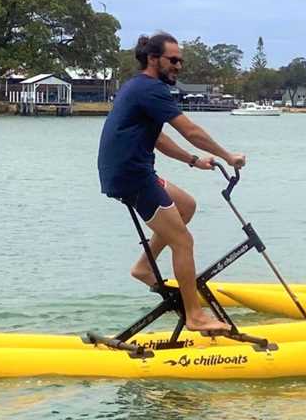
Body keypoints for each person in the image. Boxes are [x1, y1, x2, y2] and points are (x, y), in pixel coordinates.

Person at [97, 32, 243, 333]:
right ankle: (195, 316)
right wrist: (227, 156)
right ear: (153, 59)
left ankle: (144, 267)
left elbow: (158, 138)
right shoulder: (151, 89)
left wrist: (193, 160)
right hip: (131, 175)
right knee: (183, 241)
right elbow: (190, 130)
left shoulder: (140, 87)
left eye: (181, 61)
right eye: (172, 60)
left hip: (133, 170)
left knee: (186, 206)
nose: (178, 66)